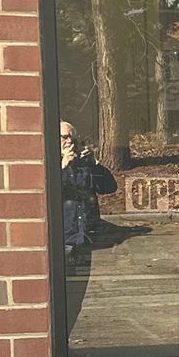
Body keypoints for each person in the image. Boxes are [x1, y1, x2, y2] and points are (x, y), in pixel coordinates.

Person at [60, 122, 116, 331]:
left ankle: (67, 341)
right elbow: (45, 193)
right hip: (61, 242)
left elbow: (109, 187)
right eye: (64, 138)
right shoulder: (48, 165)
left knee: (76, 300)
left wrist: (94, 163)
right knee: (57, 300)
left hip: (84, 243)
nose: (69, 143)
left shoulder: (84, 166)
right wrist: (63, 165)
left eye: (73, 139)